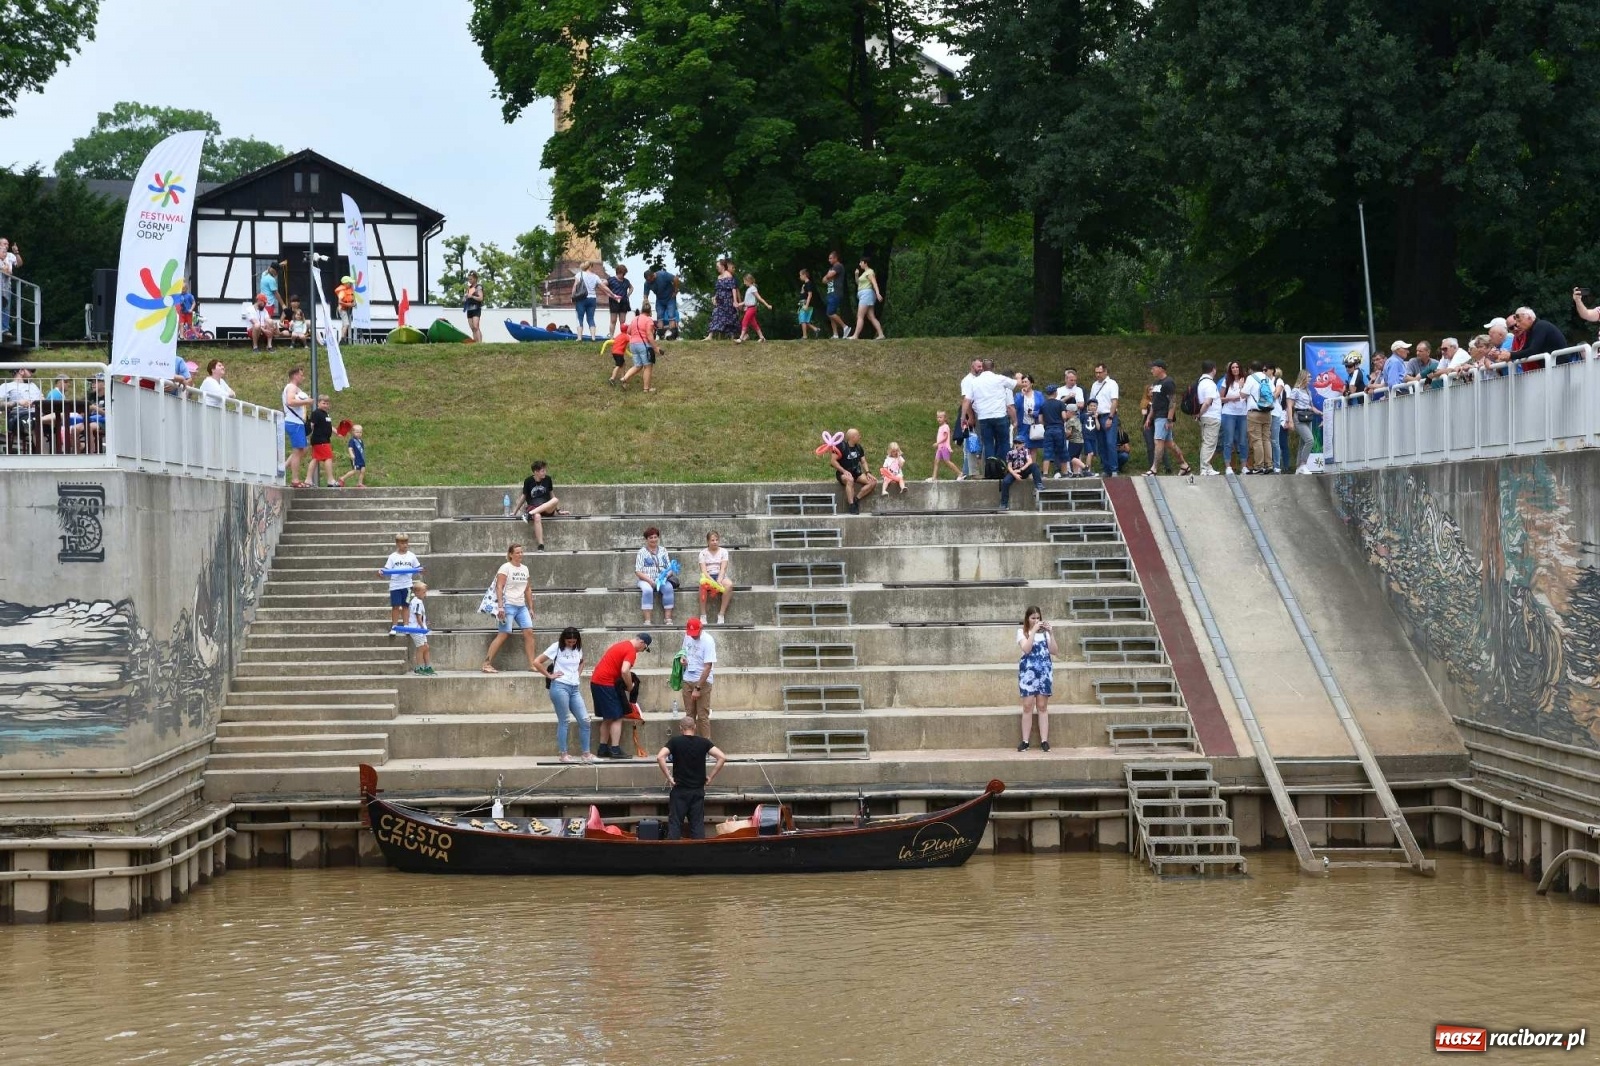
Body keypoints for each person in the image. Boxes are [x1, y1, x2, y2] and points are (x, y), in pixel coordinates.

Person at [657, 715, 726, 839]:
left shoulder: (675, 742)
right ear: (694, 727)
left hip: (679, 790)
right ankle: (698, 849)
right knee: (697, 825)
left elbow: (660, 757)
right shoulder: (704, 742)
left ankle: (673, 849)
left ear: (680, 728)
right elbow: (722, 757)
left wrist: (669, 777)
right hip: (697, 791)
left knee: (675, 824)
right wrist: (710, 777)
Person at [534, 627, 592, 763]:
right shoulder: (556, 647)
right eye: (568, 642)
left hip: (574, 687)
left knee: (585, 720)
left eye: (573, 642)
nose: (571, 644)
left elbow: (582, 661)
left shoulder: (578, 648)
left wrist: (577, 674)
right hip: (560, 686)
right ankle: (563, 754)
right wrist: (549, 675)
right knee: (564, 720)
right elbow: (537, 662)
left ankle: (586, 753)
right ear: (563, 639)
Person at [593, 633, 651, 759]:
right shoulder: (631, 651)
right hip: (606, 683)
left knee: (608, 717)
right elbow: (625, 670)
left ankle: (603, 748)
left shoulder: (623, 645)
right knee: (617, 717)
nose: (641, 651)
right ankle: (615, 749)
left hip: (597, 681)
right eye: (644, 649)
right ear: (642, 643)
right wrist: (630, 686)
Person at [482, 543, 538, 673]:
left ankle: (532, 664)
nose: (520, 554)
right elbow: (499, 587)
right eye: (517, 552)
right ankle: (486, 663)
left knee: (529, 632)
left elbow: (528, 589)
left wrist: (531, 607)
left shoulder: (525, 569)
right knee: (503, 633)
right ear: (511, 554)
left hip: (521, 606)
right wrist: (500, 607)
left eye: (521, 552)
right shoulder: (505, 567)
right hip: (508, 605)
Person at [1016, 605, 1057, 752]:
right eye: (1033, 618)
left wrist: (1051, 633)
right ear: (1027, 618)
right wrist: (1033, 631)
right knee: (1027, 706)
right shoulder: (1022, 632)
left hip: (1044, 673)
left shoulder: (1045, 634)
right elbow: (1026, 649)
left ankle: (1044, 741)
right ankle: (1025, 741)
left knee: (1042, 706)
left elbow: (1054, 651)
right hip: (1028, 674)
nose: (1036, 620)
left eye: (1038, 618)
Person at [962, 359, 1017, 465]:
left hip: (984, 417)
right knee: (1004, 442)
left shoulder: (975, 381)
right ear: (993, 367)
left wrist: (963, 417)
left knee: (988, 443)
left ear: (983, 368)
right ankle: (1004, 466)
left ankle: (990, 468)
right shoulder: (999, 378)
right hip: (999, 415)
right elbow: (1016, 384)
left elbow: (966, 400)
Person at [1143, 361, 1190, 477]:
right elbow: (1154, 403)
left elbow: (1172, 402)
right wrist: (1149, 417)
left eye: (1153, 368)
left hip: (1164, 417)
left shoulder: (1168, 382)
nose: (1152, 370)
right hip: (1157, 416)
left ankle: (1154, 469)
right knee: (1169, 444)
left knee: (1158, 442)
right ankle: (1184, 465)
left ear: (1161, 368)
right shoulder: (1156, 383)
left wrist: (1169, 420)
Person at [679, 617, 718, 740]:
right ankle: (689, 744)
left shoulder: (708, 641)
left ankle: (706, 745)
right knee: (689, 716)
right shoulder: (687, 636)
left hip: (702, 680)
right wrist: (683, 658)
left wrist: (698, 688)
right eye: (691, 633)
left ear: (701, 628)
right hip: (688, 678)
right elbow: (684, 651)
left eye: (695, 633)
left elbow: (708, 667)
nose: (693, 635)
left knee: (702, 715)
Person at [830, 427, 877, 515]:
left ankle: (856, 499)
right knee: (850, 480)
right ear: (853, 437)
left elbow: (863, 461)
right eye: (858, 435)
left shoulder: (858, 447)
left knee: (873, 482)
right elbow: (833, 461)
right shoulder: (840, 446)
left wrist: (868, 472)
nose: (860, 437)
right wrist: (844, 471)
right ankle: (851, 505)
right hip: (843, 473)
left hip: (856, 472)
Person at [381, 533, 422, 633]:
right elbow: (386, 569)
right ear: (397, 544)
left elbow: (417, 567)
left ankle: (406, 626)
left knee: (406, 606)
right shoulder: (392, 557)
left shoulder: (411, 556)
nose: (405, 545)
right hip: (395, 585)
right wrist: (381, 572)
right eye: (402, 543)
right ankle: (394, 626)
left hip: (407, 585)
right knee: (395, 606)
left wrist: (420, 570)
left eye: (406, 542)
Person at [635, 527, 676, 625]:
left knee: (669, 588)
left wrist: (665, 577)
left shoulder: (663, 550)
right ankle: (647, 620)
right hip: (645, 579)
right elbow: (638, 571)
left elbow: (670, 568)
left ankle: (668, 618)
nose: (653, 539)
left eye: (655, 537)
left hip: (661, 579)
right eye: (651, 537)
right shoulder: (641, 552)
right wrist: (650, 581)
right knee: (647, 590)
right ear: (646, 539)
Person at [516, 460, 559, 549]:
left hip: (545, 506)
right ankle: (541, 545)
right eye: (543, 471)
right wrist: (515, 511)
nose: (545, 472)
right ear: (536, 472)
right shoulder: (528, 481)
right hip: (533, 506)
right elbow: (523, 497)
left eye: (545, 470)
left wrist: (559, 510)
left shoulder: (548, 479)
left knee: (555, 500)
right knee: (537, 516)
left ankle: (529, 514)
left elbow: (552, 494)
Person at [619, 299, 660, 392]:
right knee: (648, 366)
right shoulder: (649, 320)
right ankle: (646, 389)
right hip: (643, 345)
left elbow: (629, 331)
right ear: (649, 311)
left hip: (633, 345)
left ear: (642, 310)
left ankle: (624, 378)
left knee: (638, 365)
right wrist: (656, 347)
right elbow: (649, 335)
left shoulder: (635, 319)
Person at [1087, 363, 1121, 477]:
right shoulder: (1094, 385)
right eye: (1096, 372)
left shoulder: (1112, 384)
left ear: (1105, 372)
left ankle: (1114, 469)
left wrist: (1110, 417)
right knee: (1101, 444)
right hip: (1097, 416)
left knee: (1110, 442)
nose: (1098, 375)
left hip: (1108, 415)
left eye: (1100, 372)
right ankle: (1106, 469)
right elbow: (1091, 401)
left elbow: (1114, 401)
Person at [1242, 361, 1275, 473]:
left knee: (1257, 440)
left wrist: (1241, 387)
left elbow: (1244, 394)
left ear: (1251, 369)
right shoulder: (1267, 378)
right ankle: (1269, 465)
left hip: (1254, 413)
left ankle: (1259, 466)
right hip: (1267, 412)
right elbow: (1273, 393)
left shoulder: (1250, 378)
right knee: (1266, 439)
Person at [282, 367, 312, 487]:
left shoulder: (295, 388)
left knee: (302, 449)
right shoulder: (292, 387)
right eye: (301, 375)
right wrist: (307, 402)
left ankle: (283, 467)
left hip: (297, 422)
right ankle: (295, 480)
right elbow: (290, 402)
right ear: (295, 375)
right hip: (294, 422)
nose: (303, 377)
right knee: (298, 451)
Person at [1, 366, 42, 453]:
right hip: (19, 417)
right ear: (21, 371)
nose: (32, 373)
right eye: (30, 370)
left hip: (38, 414)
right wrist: (17, 402)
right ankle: (44, 456)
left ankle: (60, 453)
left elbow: (43, 400)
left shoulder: (33, 385)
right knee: (35, 423)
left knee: (61, 416)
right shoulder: (6, 386)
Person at [570, 261, 613, 341]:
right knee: (591, 318)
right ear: (590, 267)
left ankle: (579, 337)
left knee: (580, 318)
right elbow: (603, 286)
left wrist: (572, 296)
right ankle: (593, 337)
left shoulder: (579, 274)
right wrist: (612, 294)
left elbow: (575, 286)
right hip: (592, 299)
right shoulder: (595, 276)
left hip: (581, 298)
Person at [697, 530, 733, 624]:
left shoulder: (724, 552)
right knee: (702, 587)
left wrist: (719, 580)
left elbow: (723, 568)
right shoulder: (703, 553)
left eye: (717, 540)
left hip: (720, 575)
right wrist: (712, 581)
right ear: (708, 541)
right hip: (708, 577)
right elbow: (704, 571)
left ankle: (721, 614)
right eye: (712, 540)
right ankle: (703, 615)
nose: (715, 542)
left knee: (729, 585)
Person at [1218, 361, 1248, 473]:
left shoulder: (1246, 381)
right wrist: (1231, 399)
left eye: (1237, 367)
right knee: (1229, 440)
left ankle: (1244, 466)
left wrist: (1241, 386)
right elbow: (1220, 398)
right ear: (1230, 370)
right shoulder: (1226, 381)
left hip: (1242, 413)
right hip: (1229, 413)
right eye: (1233, 367)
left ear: (1240, 368)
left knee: (1243, 440)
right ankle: (1228, 466)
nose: (1235, 369)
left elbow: (1247, 396)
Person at [1287, 370, 1318, 472]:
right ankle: (1303, 464)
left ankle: (1298, 467)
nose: (1310, 379)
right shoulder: (1296, 390)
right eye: (1309, 377)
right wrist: (1290, 420)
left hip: (1308, 417)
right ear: (1303, 378)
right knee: (1310, 440)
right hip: (1299, 417)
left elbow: (1311, 406)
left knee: (1303, 442)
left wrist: (1321, 413)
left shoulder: (1308, 391)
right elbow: (1289, 406)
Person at [998, 435, 1038, 511]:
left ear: (1023, 444)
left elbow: (1030, 461)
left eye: (1019, 443)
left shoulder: (1026, 451)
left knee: (1034, 466)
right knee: (1005, 482)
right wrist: (1015, 474)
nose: (1017, 445)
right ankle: (1004, 504)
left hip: (1023, 470)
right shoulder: (1010, 453)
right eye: (1015, 443)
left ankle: (1038, 485)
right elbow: (1009, 466)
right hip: (1014, 471)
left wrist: (1021, 470)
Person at [1195, 361, 1222, 474]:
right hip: (1211, 416)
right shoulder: (1210, 384)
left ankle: (1206, 467)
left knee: (1206, 442)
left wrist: (1199, 415)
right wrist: (1199, 414)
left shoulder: (1200, 382)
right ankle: (1205, 468)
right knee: (1209, 443)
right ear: (1213, 369)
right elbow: (1207, 402)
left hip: (1206, 417)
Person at [851, 256, 885, 340]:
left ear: (865, 263)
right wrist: (856, 275)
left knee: (860, 316)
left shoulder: (869, 272)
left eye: (861, 262)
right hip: (864, 295)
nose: (860, 264)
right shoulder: (864, 273)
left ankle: (855, 335)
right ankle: (881, 334)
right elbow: (858, 283)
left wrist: (878, 293)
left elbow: (874, 282)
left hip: (866, 295)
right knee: (871, 317)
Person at [926, 410, 965, 481]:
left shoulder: (945, 426)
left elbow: (945, 437)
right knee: (936, 461)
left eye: (940, 417)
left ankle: (960, 473)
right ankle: (934, 477)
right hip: (940, 448)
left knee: (947, 461)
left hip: (944, 447)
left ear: (945, 418)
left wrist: (937, 443)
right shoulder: (941, 427)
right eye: (938, 417)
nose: (939, 419)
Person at [645, 264, 681, 339]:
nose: (649, 282)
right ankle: (661, 335)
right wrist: (646, 302)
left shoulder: (663, 275)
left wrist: (676, 290)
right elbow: (645, 295)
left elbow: (675, 279)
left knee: (671, 315)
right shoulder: (647, 283)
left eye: (650, 280)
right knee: (659, 316)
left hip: (670, 298)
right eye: (648, 281)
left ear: (653, 276)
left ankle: (672, 335)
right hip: (660, 300)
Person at [405, 582, 434, 675]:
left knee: (426, 647)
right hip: (416, 629)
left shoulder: (418, 601)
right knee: (421, 648)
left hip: (420, 629)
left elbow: (421, 616)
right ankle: (419, 667)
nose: (425, 595)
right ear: (417, 592)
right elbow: (418, 617)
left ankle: (428, 666)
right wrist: (422, 627)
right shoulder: (417, 602)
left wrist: (425, 622)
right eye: (423, 592)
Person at [307, 396, 336, 487]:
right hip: (320, 440)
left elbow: (328, 425)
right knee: (328, 457)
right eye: (323, 403)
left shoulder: (326, 414)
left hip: (324, 439)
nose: (325, 405)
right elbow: (311, 425)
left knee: (315, 459)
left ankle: (308, 479)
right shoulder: (316, 413)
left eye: (327, 404)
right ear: (318, 403)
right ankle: (330, 480)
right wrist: (307, 434)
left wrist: (336, 432)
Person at [707, 259, 739, 339]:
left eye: (717, 266)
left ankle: (733, 337)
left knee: (730, 318)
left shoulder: (728, 275)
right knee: (715, 314)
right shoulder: (719, 277)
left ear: (722, 266)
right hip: (720, 302)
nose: (717, 268)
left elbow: (733, 288)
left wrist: (735, 301)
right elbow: (718, 290)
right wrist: (715, 297)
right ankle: (710, 336)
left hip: (727, 301)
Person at [735, 272, 771, 344]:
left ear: (748, 280)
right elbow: (746, 301)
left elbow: (759, 298)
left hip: (751, 309)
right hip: (749, 308)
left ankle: (741, 338)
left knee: (744, 321)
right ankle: (762, 338)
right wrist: (739, 304)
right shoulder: (749, 289)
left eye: (745, 281)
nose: (744, 283)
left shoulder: (753, 288)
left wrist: (767, 305)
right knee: (754, 324)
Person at [822, 251, 851, 339]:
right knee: (831, 314)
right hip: (830, 292)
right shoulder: (832, 268)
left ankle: (845, 327)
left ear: (835, 258)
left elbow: (828, 276)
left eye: (831, 258)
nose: (829, 260)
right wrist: (828, 276)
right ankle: (835, 334)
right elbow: (823, 280)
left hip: (836, 292)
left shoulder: (838, 266)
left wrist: (829, 276)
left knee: (830, 313)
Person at [606, 263, 633, 335]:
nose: (623, 275)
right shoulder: (611, 279)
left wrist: (628, 295)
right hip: (614, 301)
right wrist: (609, 294)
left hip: (624, 302)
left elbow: (631, 287)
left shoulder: (626, 281)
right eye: (623, 273)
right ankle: (611, 336)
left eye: (624, 274)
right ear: (618, 272)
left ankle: (623, 336)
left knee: (622, 321)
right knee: (613, 320)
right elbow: (603, 285)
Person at [606, 316, 631, 386]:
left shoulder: (618, 335)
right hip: (619, 353)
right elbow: (632, 341)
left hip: (614, 352)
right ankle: (612, 378)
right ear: (627, 330)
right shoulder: (626, 336)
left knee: (623, 364)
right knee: (618, 365)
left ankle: (623, 377)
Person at [797, 268, 821, 339]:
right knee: (804, 320)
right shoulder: (805, 284)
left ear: (804, 275)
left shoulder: (809, 283)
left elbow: (810, 295)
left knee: (803, 320)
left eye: (800, 275)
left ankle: (805, 336)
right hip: (803, 304)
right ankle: (815, 329)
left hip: (806, 304)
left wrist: (806, 305)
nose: (800, 277)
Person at [463, 271, 485, 343]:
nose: (469, 281)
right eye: (468, 279)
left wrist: (472, 296)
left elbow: (481, 298)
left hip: (476, 309)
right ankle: (475, 342)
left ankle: (480, 343)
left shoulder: (478, 287)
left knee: (476, 326)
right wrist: (465, 297)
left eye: (471, 279)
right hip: (469, 309)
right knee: (472, 328)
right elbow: (465, 299)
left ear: (475, 279)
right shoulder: (469, 288)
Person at [334, 275, 357, 342]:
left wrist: (353, 303)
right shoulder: (342, 292)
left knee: (344, 324)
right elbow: (339, 301)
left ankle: (343, 339)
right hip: (342, 309)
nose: (351, 284)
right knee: (346, 324)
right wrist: (349, 305)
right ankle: (342, 340)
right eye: (350, 283)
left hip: (347, 309)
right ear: (346, 283)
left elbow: (353, 300)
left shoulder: (349, 290)